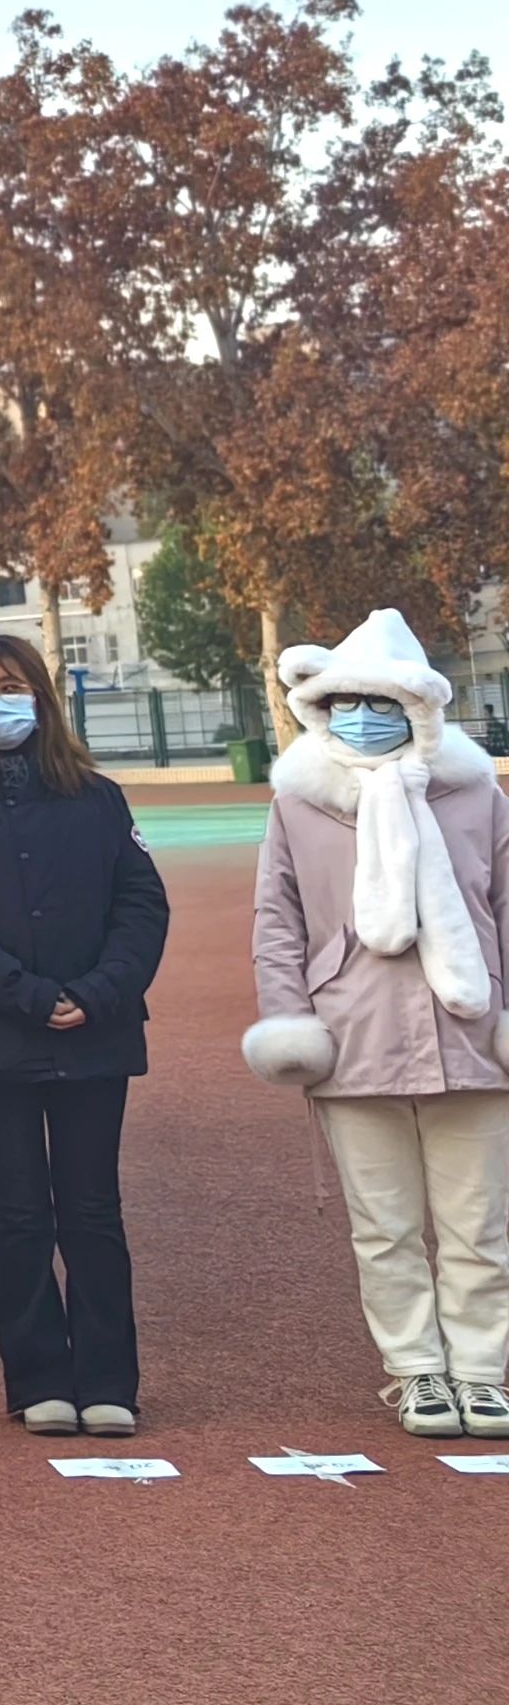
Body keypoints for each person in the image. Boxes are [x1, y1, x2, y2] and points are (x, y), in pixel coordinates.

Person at [245, 609, 509, 1441]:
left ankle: (482, 1371)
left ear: (418, 707)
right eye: (345, 702)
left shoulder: (478, 794)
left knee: (480, 1227)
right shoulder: (299, 803)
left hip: (472, 1035)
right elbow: (277, 921)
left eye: (380, 702)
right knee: (385, 1228)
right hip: (351, 1038)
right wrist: (292, 1018)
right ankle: (417, 1368)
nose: (360, 717)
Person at [0, 635, 168, 1436]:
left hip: (96, 1033)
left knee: (92, 1208)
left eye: (11, 686)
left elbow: (141, 905)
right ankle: (38, 1377)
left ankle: (109, 1378)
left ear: (41, 697)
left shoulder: (98, 798)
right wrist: (26, 994)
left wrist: (98, 991)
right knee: (18, 1212)